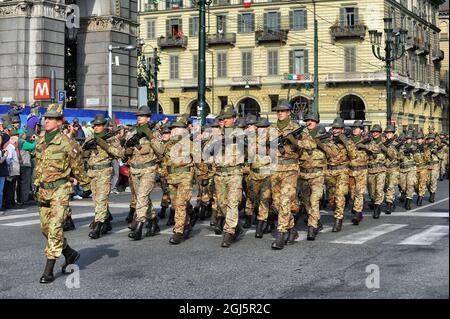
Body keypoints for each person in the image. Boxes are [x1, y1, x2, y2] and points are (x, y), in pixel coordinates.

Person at [34, 104, 90, 284]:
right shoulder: (41, 141)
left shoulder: (67, 143)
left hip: (60, 190)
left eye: (51, 118)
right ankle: (70, 253)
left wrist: (86, 185)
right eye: (46, 118)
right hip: (44, 190)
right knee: (45, 228)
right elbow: (39, 167)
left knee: (55, 228)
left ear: (60, 122)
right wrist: (36, 185)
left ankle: (48, 270)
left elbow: (78, 167)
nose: (46, 120)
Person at [205, 105, 245, 248]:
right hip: (219, 173)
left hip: (234, 173)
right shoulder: (216, 135)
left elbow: (248, 149)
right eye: (223, 119)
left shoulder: (240, 133)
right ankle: (237, 227)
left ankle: (229, 233)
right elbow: (206, 152)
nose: (225, 121)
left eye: (228, 118)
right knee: (221, 205)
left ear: (234, 119)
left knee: (233, 203)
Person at [82, 114, 124, 239]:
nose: (96, 127)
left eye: (99, 125)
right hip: (92, 173)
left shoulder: (111, 139)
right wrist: (85, 151)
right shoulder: (89, 138)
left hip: (104, 172)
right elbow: (83, 155)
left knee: (101, 199)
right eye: (95, 125)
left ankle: (98, 226)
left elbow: (119, 153)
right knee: (97, 200)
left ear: (104, 125)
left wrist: (104, 145)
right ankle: (106, 221)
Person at [126, 105, 164, 240]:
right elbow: (126, 150)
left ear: (148, 118)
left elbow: (160, 151)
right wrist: (127, 151)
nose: (139, 118)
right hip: (135, 169)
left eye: (141, 116)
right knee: (143, 199)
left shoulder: (154, 132)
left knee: (141, 197)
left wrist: (150, 136)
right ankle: (153, 220)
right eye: (138, 116)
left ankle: (139, 227)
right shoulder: (132, 132)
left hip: (149, 170)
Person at [268, 100, 301, 249]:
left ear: (289, 112)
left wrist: (293, 140)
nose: (280, 113)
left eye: (282, 111)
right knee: (276, 203)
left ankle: (281, 234)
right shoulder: (271, 128)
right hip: (275, 169)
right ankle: (292, 229)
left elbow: (310, 145)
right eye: (278, 111)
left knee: (285, 200)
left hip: (290, 169)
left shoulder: (296, 128)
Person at [0, 134, 8, 215]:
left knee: (1, 191)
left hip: (2, 173)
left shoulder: (1, 149)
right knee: (0, 191)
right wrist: (5, 156)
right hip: (1, 172)